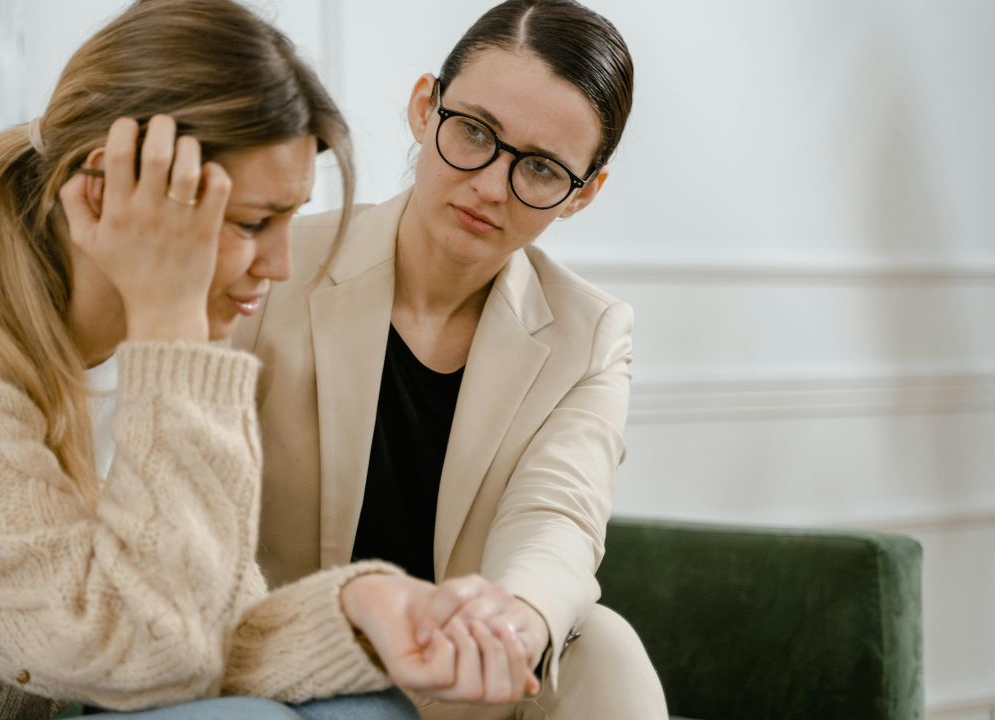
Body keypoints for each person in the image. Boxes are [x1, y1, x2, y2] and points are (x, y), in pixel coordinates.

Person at [0, 1, 539, 718]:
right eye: (252, 222)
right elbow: (143, 652)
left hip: (93, 672)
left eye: (287, 220)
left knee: (379, 705)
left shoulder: (128, 322)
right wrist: (175, 334)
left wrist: (366, 606)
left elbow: (193, 615)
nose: (277, 264)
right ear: (105, 192)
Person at [232, 0, 670, 717]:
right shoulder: (273, 263)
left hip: (465, 670)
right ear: (423, 107)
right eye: (473, 132)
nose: (491, 186)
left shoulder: (590, 334)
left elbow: (558, 515)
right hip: (289, 652)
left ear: (583, 194)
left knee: (606, 647)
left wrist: (517, 618)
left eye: (540, 169)